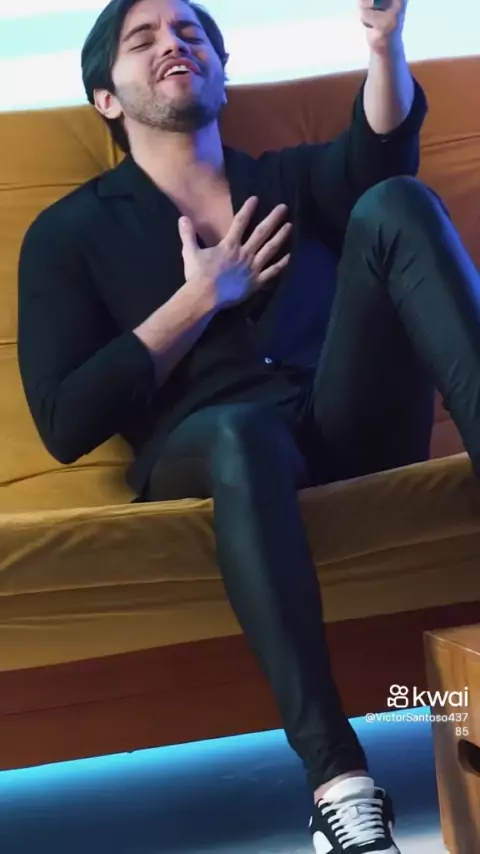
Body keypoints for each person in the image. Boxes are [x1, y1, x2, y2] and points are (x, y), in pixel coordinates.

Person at [17, 0, 480, 851]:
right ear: (106, 98)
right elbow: (64, 419)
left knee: (398, 200)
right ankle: (338, 783)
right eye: (143, 39)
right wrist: (200, 299)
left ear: (222, 73)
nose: (174, 44)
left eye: (191, 32)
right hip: (211, 452)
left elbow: (380, 156)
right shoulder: (69, 234)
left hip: (343, 427)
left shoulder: (289, 181)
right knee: (241, 432)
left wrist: (384, 44)